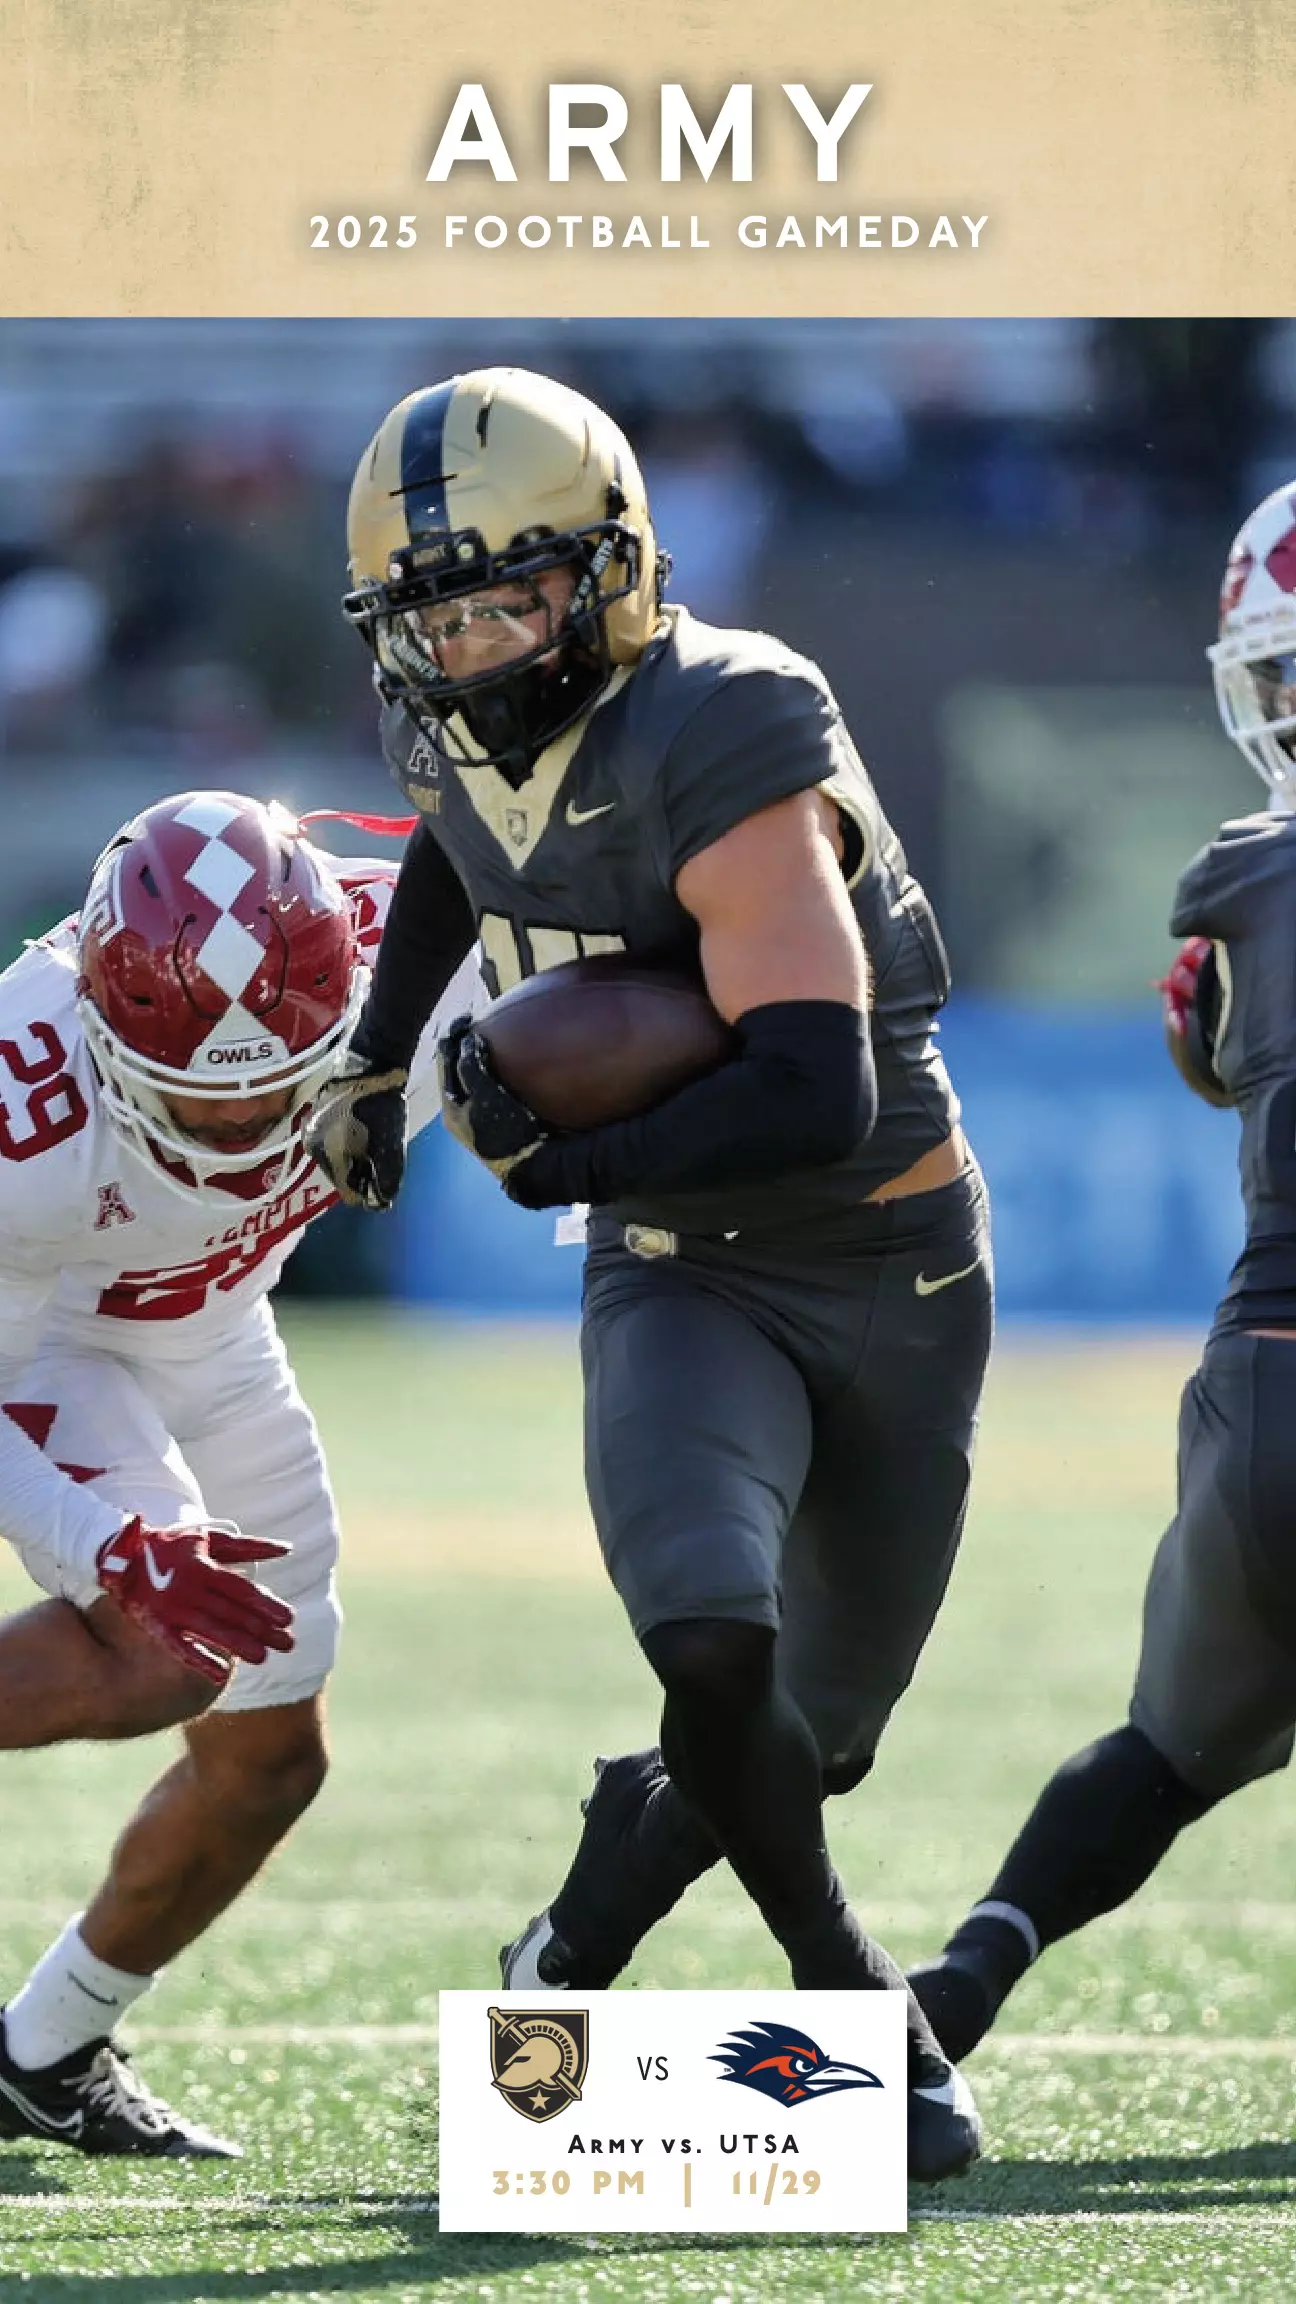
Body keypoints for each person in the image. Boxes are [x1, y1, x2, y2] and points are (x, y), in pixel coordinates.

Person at [308, 367, 993, 2182]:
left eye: (510, 598)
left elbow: (809, 1080)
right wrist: (382, 1061)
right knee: (710, 1630)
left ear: (608, 571)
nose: (468, 648)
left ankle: (584, 1932)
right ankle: (855, 2007)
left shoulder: (733, 713)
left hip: (889, 1259)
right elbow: (459, 863)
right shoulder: (452, 717)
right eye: (434, 615)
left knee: (804, 1742)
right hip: (683, 1268)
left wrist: (550, 1157)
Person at [0, 788, 478, 2156]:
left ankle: (47, 2050)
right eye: (205, 1103)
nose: (247, 1131)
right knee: (165, 1652)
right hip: (51, 1340)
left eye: (280, 1088)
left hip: (218, 1324)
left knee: (271, 1756)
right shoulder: (25, 1102)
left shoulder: (429, 947)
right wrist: (114, 1548)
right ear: (100, 1027)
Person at [906, 477, 1296, 2061]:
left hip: (1259, 1397)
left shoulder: (1238, 876)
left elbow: (1207, 1045)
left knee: (1169, 1750)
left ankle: (965, 1980)